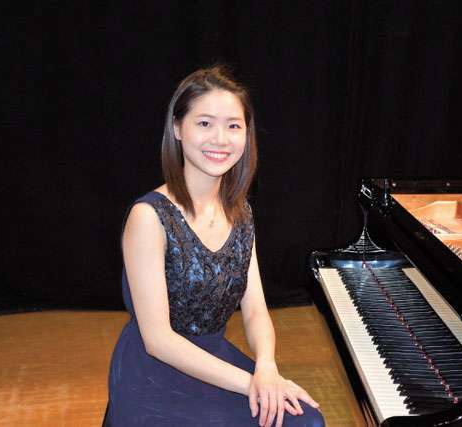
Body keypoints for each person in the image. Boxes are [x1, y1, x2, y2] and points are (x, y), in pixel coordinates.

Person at [105, 66, 325, 427]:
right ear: (178, 128)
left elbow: (255, 311)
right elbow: (158, 340)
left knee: (307, 421)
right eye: (205, 123)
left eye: (233, 126)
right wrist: (253, 384)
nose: (220, 139)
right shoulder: (149, 216)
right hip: (154, 369)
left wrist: (267, 368)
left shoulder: (241, 212)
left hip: (214, 357)